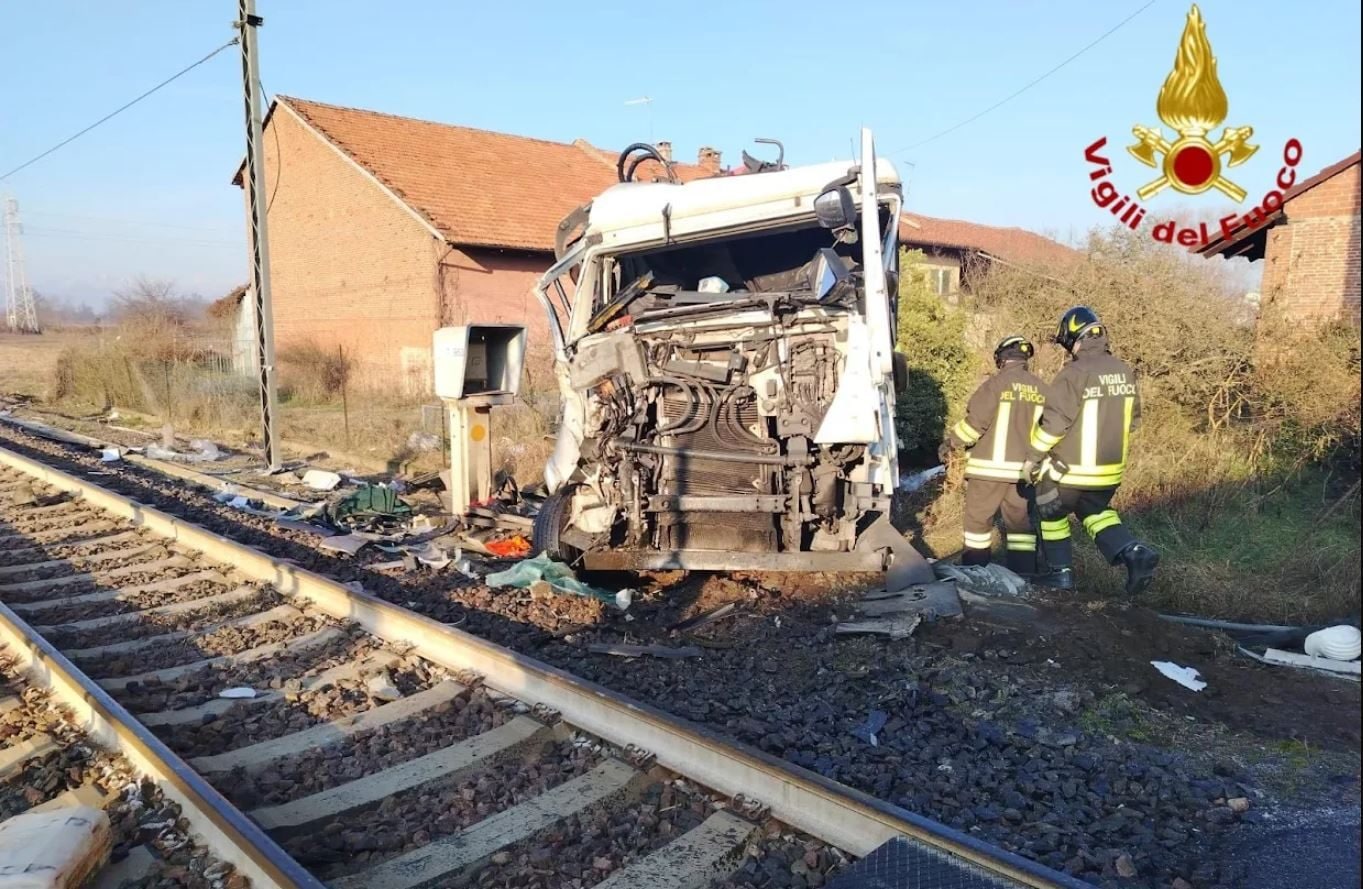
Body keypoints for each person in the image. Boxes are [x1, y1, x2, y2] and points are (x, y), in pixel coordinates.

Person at [1023, 306, 1160, 595]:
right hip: (1109, 474)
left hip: (1071, 471)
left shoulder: (1074, 373)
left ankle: (1060, 575)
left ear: (1073, 338)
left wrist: (1032, 458)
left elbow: (1053, 425)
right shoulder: (1124, 371)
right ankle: (1134, 552)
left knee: (1050, 511)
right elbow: (1134, 422)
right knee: (1094, 511)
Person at [939, 335, 1048, 575]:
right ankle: (1023, 574)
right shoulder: (1042, 389)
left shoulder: (995, 385)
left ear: (1002, 358)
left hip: (988, 471)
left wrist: (951, 442)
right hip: (1024, 473)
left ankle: (976, 571)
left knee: (978, 523)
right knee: (1020, 526)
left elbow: (974, 424)